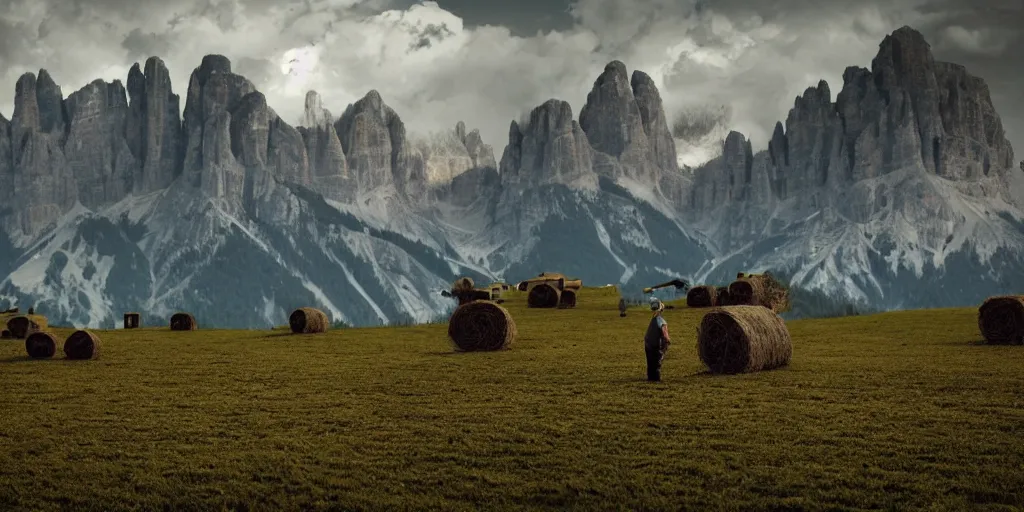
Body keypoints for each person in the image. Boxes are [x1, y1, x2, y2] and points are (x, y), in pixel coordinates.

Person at [643, 297, 671, 381]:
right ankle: (656, 378)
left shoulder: (654, 319)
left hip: (648, 343)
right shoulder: (662, 321)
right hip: (655, 345)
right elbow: (665, 335)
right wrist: (668, 341)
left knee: (650, 363)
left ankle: (650, 377)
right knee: (656, 363)